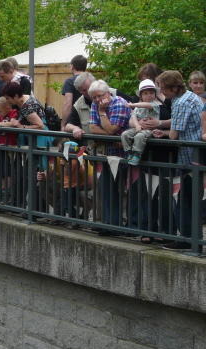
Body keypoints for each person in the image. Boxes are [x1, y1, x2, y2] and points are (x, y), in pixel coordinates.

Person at [155, 70, 204, 250]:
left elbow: (175, 134)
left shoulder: (181, 102)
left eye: (164, 89)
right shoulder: (189, 97)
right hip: (194, 156)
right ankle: (192, 240)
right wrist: (160, 125)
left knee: (184, 200)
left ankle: (187, 240)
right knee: (188, 200)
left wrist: (162, 133)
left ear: (174, 87)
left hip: (189, 158)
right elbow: (177, 123)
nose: (162, 93)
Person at [88, 79, 132, 230]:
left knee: (122, 190)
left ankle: (119, 224)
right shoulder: (95, 104)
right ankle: (109, 223)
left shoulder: (119, 103)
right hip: (107, 153)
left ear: (108, 92)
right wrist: (108, 134)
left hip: (123, 155)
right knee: (106, 188)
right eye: (94, 97)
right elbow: (93, 128)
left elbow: (112, 129)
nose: (97, 100)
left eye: (99, 96)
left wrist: (101, 113)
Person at [122, 79, 162, 165]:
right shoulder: (138, 107)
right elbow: (133, 116)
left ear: (155, 95)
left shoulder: (155, 104)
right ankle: (129, 152)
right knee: (125, 134)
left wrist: (132, 104)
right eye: (145, 93)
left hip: (150, 129)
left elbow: (147, 105)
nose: (149, 95)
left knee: (139, 136)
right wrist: (137, 125)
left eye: (151, 93)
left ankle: (137, 154)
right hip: (139, 127)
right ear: (141, 96)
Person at [61, 55, 88, 127]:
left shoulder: (69, 82)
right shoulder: (91, 80)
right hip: (91, 119)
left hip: (75, 121)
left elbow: (68, 104)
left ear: (72, 66)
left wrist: (63, 124)